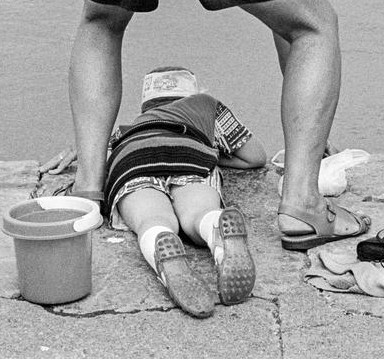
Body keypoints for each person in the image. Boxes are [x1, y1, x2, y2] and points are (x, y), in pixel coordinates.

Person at [65, 0, 370, 251]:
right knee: (314, 26)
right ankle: (302, 204)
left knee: (100, 24)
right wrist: (309, 143)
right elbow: (295, 34)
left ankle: (88, 190)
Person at [102, 66, 267, 318]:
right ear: (192, 91)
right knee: (199, 212)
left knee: (152, 220)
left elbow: (100, 156)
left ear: (147, 104)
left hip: (133, 158)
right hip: (190, 154)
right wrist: (213, 155)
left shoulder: (128, 129)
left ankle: (162, 244)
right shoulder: (205, 104)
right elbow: (255, 156)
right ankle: (215, 231)